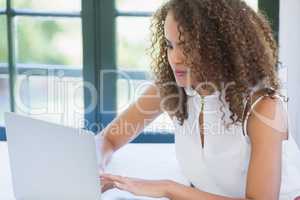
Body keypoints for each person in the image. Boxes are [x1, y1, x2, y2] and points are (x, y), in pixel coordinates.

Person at [99, 0, 300, 199]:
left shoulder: (264, 107)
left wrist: (169, 188)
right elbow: (109, 138)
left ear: (222, 48)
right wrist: (96, 169)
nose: (174, 58)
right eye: (170, 45)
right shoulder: (172, 90)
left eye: (187, 47)